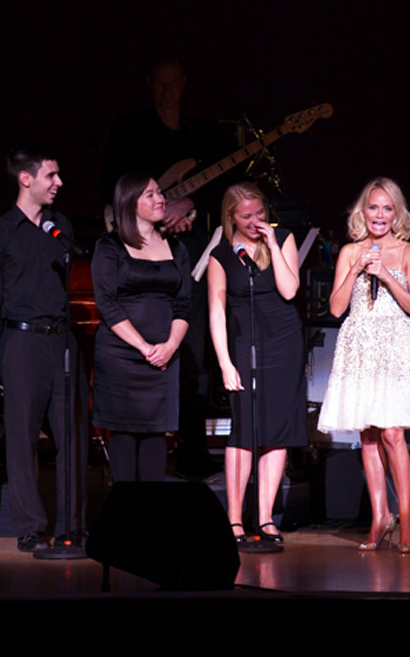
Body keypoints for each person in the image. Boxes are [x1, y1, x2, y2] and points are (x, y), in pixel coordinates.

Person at [98, 54, 239, 478]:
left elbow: (226, 192)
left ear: (184, 82)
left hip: (187, 258)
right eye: (159, 83)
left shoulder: (203, 134)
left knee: (193, 354)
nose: (166, 90)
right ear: (148, 83)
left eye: (173, 82)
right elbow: (110, 186)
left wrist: (190, 203)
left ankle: (192, 449)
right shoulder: (129, 129)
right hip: (135, 266)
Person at [0, 146, 87, 553]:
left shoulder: (60, 227)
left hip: (62, 340)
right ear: (26, 179)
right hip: (21, 342)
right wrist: (6, 351)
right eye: (51, 176)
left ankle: (75, 525)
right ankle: (30, 529)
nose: (58, 183)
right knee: (21, 439)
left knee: (72, 435)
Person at [317, 178, 410, 553]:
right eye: (373, 207)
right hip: (360, 344)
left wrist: (385, 274)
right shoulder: (350, 252)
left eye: (387, 208)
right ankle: (379, 516)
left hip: (396, 345)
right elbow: (335, 308)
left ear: (396, 213)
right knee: (367, 436)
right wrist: (356, 268)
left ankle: (406, 514)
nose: (379, 215)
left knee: (393, 433)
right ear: (362, 212)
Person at [208, 183, 306, 543]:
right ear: (231, 216)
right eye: (246, 216)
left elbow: (289, 290)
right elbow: (216, 312)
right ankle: (234, 519)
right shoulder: (220, 255)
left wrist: (273, 246)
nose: (255, 221)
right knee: (244, 431)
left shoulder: (284, 240)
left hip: (284, 342)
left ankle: (265, 518)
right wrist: (224, 362)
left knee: (276, 431)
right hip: (243, 345)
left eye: (260, 213)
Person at [91, 174, 192, 481]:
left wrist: (170, 346)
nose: (160, 199)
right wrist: (144, 347)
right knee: (122, 430)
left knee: (155, 430)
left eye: (159, 193)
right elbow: (106, 303)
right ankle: (125, 516)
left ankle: (150, 516)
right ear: (129, 203)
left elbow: (184, 304)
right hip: (121, 354)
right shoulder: (109, 246)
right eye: (150, 195)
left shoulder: (177, 248)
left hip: (164, 353)